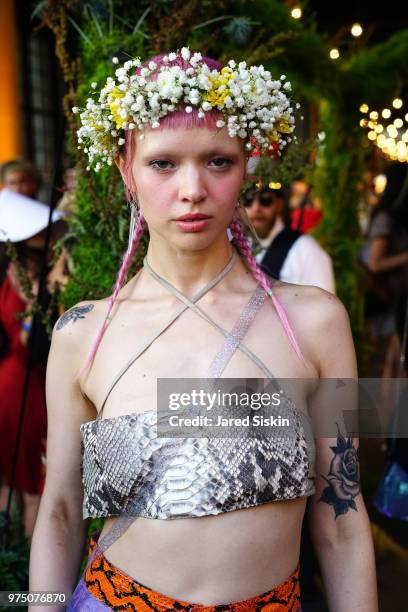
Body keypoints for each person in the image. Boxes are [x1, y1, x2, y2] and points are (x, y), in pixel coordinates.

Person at [30, 49, 377, 611]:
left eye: (218, 161)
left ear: (247, 166)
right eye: (163, 163)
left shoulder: (314, 322)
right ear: (126, 172)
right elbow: (61, 512)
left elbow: (341, 512)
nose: (192, 189)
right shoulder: (83, 333)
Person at [244, 185, 335, 293]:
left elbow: (324, 306)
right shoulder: (238, 245)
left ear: (279, 204)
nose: (256, 208)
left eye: (265, 200)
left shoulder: (307, 250)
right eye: (248, 200)